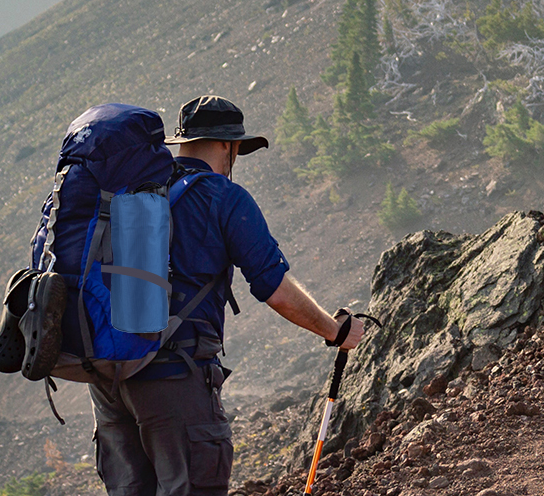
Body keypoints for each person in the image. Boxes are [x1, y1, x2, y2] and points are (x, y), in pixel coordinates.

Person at [90, 95, 365, 496]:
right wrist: (335, 330)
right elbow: (276, 291)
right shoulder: (222, 197)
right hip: (173, 378)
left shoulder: (130, 191)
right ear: (227, 145)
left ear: (181, 142)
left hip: (108, 376)